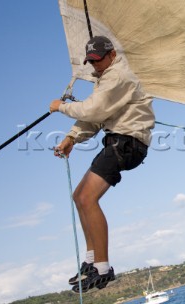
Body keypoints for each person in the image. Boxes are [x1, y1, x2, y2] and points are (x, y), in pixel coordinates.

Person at [49, 36, 155, 292]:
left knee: (87, 198)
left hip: (128, 143)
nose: (95, 65)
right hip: (118, 141)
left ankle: (103, 268)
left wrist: (61, 106)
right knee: (79, 197)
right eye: (91, 62)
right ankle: (91, 261)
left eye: (98, 60)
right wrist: (71, 138)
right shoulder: (105, 80)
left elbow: (93, 111)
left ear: (112, 55)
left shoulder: (117, 76)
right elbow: (96, 117)